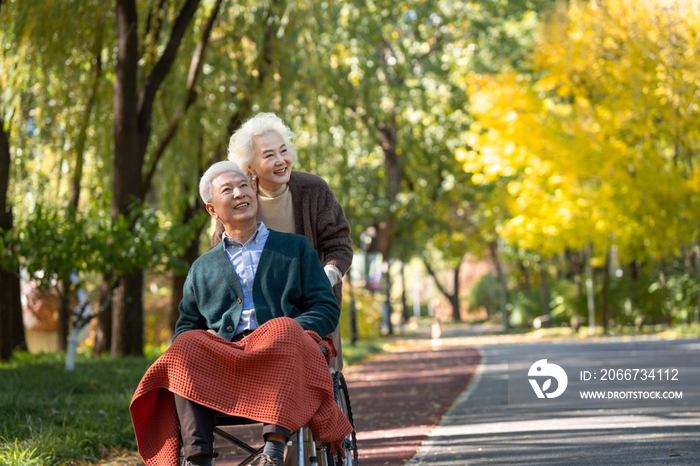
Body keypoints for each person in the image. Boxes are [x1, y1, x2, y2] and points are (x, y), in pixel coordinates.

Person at [129, 161, 352, 466]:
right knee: (183, 348)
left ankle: (272, 453)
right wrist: (202, 337)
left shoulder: (295, 249)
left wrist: (295, 331)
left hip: (280, 353)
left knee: (283, 329)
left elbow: (325, 306)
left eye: (244, 185)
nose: (239, 193)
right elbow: (187, 326)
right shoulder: (202, 268)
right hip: (225, 361)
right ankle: (197, 459)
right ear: (212, 209)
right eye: (228, 189)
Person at [211, 113, 353, 371]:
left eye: (283, 150)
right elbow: (218, 257)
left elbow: (339, 243)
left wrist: (324, 277)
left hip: (313, 310)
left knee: (319, 386)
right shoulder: (238, 200)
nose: (281, 161)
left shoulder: (314, 190)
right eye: (269, 155)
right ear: (250, 167)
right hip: (257, 316)